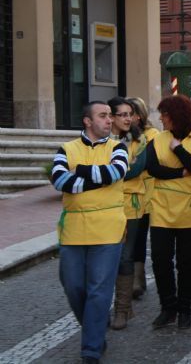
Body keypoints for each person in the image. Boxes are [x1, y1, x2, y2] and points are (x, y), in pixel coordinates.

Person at [50, 102, 128, 364]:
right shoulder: (66, 149)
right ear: (87, 121)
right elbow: (59, 180)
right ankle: (96, 322)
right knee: (73, 286)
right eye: (103, 116)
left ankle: (91, 349)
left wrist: (80, 173)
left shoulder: (118, 147)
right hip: (73, 230)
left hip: (108, 228)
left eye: (110, 116)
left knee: (99, 291)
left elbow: (116, 172)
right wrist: (99, 180)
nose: (110, 120)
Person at [145, 95, 191, 330]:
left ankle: (185, 309)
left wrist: (179, 150)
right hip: (162, 208)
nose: (161, 118)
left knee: (187, 262)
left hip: (190, 210)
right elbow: (152, 168)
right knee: (161, 260)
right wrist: (180, 174)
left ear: (176, 115)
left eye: (165, 114)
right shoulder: (158, 139)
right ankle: (167, 307)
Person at [107, 97, 148, 331]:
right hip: (105, 206)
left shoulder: (139, 140)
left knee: (125, 255)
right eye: (122, 114)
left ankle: (122, 309)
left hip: (131, 205)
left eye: (129, 114)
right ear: (110, 117)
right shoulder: (101, 141)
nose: (128, 118)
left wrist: (104, 172)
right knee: (105, 258)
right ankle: (100, 308)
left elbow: (134, 169)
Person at [127, 96, 159, 300]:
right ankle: (130, 280)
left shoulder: (152, 135)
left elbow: (143, 164)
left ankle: (138, 280)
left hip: (148, 195)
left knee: (139, 239)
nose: (127, 118)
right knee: (129, 240)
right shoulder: (123, 137)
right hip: (127, 197)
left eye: (131, 114)